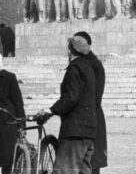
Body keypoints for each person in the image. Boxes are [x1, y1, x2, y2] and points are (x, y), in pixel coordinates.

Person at [41, 36, 97, 174]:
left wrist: (51, 110)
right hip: (88, 131)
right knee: (84, 170)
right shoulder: (88, 67)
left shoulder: (74, 69)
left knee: (64, 170)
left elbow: (71, 98)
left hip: (75, 132)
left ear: (70, 51)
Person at [73, 31, 108, 174]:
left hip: (88, 116)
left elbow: (93, 96)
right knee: (91, 160)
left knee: (90, 160)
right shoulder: (90, 63)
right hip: (91, 114)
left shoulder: (89, 65)